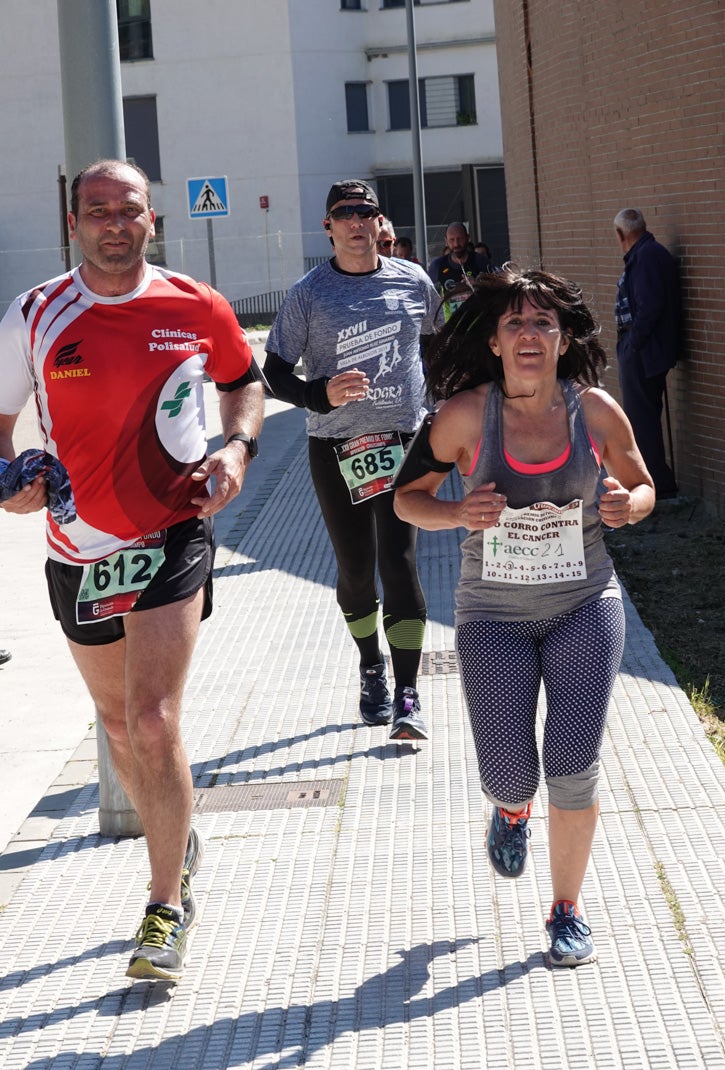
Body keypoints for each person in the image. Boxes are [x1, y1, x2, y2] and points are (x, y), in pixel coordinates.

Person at [0, 159, 264, 982]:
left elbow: (243, 382)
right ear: (73, 223)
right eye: (97, 210)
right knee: (118, 732)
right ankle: (178, 840)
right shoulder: (36, 314)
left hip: (172, 534)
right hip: (78, 549)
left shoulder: (195, 304)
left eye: (130, 211)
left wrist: (237, 447)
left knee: (152, 720)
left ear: (153, 220)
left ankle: (163, 908)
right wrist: (11, 491)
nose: (115, 223)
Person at [393, 267, 654, 965]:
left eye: (543, 323)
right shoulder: (460, 417)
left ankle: (565, 909)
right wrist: (453, 512)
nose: (529, 335)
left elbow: (641, 483)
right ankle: (510, 812)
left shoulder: (593, 409)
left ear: (562, 338)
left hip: (582, 604)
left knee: (572, 763)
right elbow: (404, 499)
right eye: (515, 324)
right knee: (511, 773)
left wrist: (628, 506)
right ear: (495, 342)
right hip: (492, 618)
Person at [263, 179, 442, 740]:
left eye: (366, 212)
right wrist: (320, 395)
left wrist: (444, 414)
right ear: (329, 226)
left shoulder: (413, 281)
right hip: (335, 448)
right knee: (356, 567)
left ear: (379, 222)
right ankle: (371, 666)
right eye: (345, 214)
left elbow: (438, 349)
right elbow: (271, 373)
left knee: (401, 560)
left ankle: (408, 695)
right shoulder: (309, 293)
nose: (357, 222)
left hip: (405, 445)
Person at [613, 208, 682, 499]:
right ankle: (655, 481)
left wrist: (633, 345)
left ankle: (656, 485)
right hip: (644, 350)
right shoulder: (646, 254)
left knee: (641, 420)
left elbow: (650, 306)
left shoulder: (648, 256)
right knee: (643, 418)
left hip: (645, 352)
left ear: (620, 235)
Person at [428, 222, 491, 322]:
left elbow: (500, 291)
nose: (456, 244)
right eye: (452, 240)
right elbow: (428, 299)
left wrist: (478, 284)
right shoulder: (437, 266)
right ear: (446, 240)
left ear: (467, 238)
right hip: (450, 329)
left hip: (478, 327)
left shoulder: (481, 262)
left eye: (460, 239)